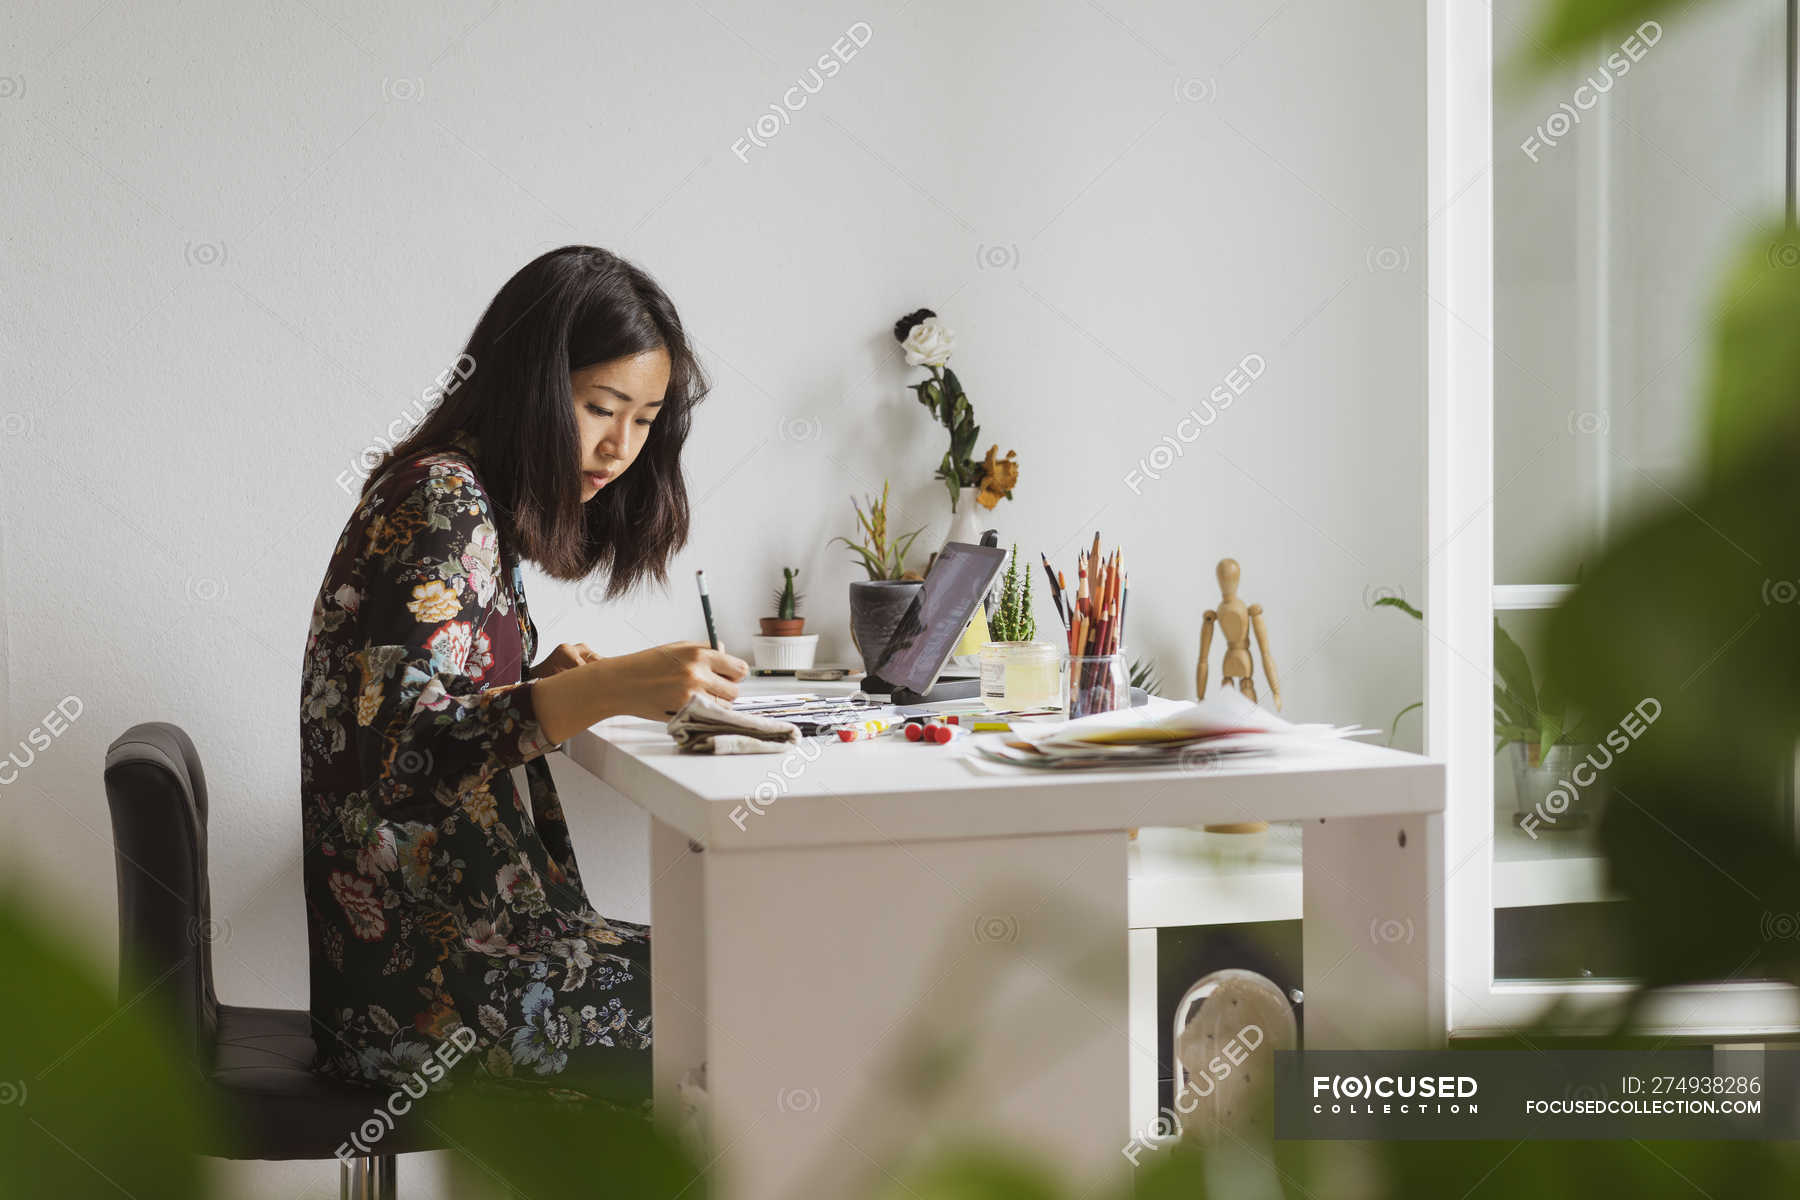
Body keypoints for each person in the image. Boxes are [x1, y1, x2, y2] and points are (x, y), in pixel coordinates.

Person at [298, 246, 747, 1110]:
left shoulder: (460, 493)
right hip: (435, 1001)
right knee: (753, 994)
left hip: (436, 969)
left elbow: (415, 709)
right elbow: (405, 758)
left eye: (646, 419)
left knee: (735, 968)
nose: (620, 446)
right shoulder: (443, 500)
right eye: (598, 407)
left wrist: (542, 680)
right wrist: (612, 688)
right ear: (529, 386)